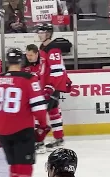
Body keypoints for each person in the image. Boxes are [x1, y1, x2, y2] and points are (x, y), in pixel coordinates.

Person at [0, 48, 50, 177]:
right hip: (23, 132)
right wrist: (43, 126)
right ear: (22, 61)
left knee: (14, 169)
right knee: (24, 171)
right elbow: (39, 108)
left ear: (8, 61)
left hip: (3, 132)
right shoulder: (29, 79)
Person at [34, 23, 72, 152]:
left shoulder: (53, 48)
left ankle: (39, 142)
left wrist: (50, 87)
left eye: (42, 32)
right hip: (47, 85)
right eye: (38, 32)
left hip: (52, 86)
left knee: (41, 112)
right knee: (53, 112)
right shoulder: (43, 47)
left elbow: (57, 71)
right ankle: (59, 139)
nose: (39, 34)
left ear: (48, 33)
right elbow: (44, 68)